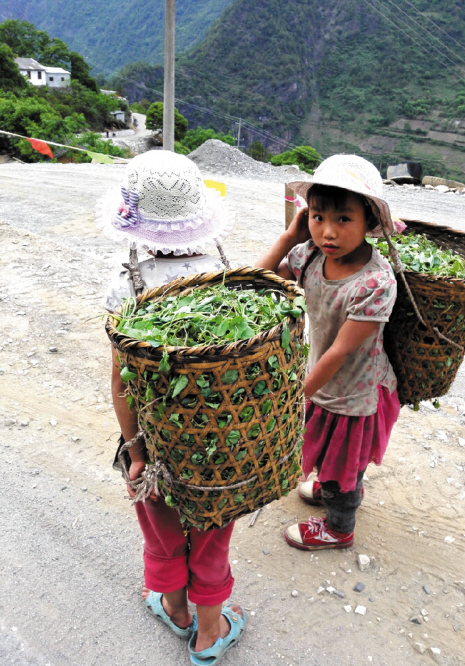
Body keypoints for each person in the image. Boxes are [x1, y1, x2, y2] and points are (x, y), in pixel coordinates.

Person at [97, 150, 246, 664]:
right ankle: (208, 634)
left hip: (157, 445)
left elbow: (122, 382)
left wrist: (136, 451)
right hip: (216, 442)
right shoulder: (227, 278)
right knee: (210, 531)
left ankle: (175, 607)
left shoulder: (126, 286)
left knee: (160, 524)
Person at [255, 154, 400, 550]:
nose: (328, 232)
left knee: (344, 466)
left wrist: (294, 395)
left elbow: (338, 351)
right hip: (321, 380)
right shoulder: (309, 257)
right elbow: (255, 285)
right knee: (334, 458)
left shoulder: (375, 282)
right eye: (318, 217)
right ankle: (335, 489)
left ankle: (339, 527)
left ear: (369, 222)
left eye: (343, 219)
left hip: (355, 392)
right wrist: (289, 238)